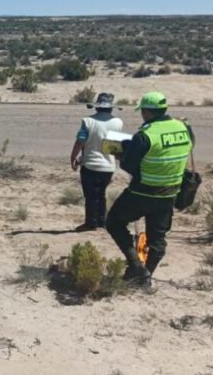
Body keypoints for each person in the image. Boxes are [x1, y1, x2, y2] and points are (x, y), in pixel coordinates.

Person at [106, 91, 194, 286]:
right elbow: (188, 147)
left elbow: (128, 165)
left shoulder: (144, 135)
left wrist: (123, 154)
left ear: (146, 112)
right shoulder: (184, 128)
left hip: (141, 192)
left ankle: (137, 266)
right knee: (157, 238)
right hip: (170, 193)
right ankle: (145, 276)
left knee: (114, 222)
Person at [70, 92, 124, 231]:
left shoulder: (88, 121)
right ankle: (102, 220)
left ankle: (91, 222)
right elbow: (116, 145)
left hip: (90, 163)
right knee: (101, 194)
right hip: (108, 165)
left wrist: (73, 158)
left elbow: (80, 141)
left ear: (96, 107)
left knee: (90, 195)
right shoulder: (118, 122)